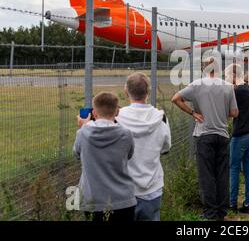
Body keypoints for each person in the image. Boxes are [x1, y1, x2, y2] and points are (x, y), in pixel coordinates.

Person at [171, 57, 239, 221]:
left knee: (206, 175)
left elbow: (175, 98)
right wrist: (221, 113)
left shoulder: (197, 85)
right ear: (218, 69)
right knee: (222, 174)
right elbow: (235, 113)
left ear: (204, 69)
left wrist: (193, 113)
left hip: (204, 134)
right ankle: (222, 211)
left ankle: (210, 212)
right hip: (222, 134)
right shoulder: (228, 87)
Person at [116, 72, 171, 221]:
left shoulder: (117, 118)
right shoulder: (160, 118)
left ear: (126, 91)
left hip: (123, 190)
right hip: (151, 188)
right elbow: (166, 148)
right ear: (148, 92)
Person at [75, 92, 136, 222]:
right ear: (117, 112)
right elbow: (129, 155)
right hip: (124, 200)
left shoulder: (83, 133)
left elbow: (77, 154)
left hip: (93, 201)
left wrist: (83, 127)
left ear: (94, 113)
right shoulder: (126, 134)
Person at [226, 64, 249, 214]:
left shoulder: (237, 91)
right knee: (248, 170)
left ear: (234, 76)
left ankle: (232, 203)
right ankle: (248, 203)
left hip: (240, 134)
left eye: (227, 76)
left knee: (234, 168)